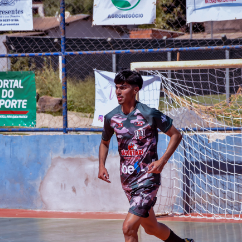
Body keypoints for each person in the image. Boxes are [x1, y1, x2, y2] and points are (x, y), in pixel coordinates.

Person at [98, 70, 194, 242]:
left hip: (148, 180)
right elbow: (104, 142)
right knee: (151, 228)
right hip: (128, 181)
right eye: (117, 88)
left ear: (135, 90)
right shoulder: (111, 117)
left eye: (123, 88)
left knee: (128, 228)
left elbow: (176, 135)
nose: (118, 92)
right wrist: (101, 165)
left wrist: (162, 161)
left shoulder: (149, 114)